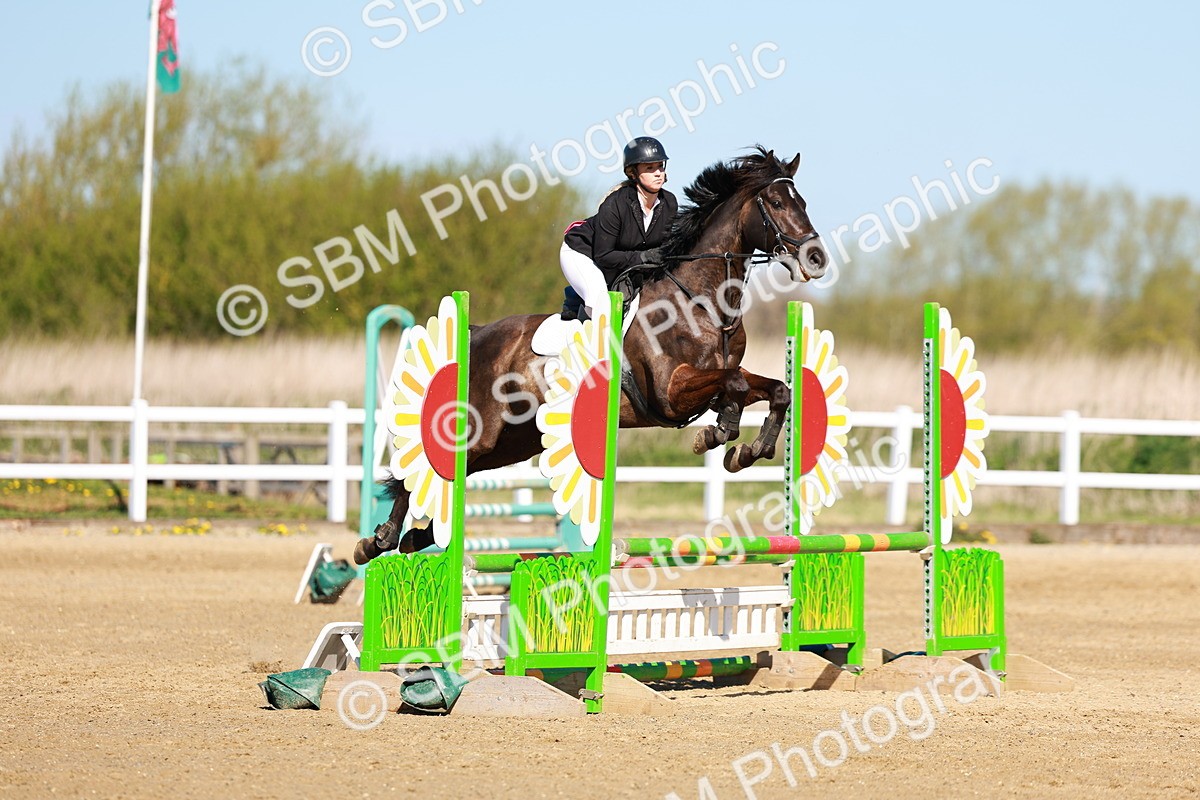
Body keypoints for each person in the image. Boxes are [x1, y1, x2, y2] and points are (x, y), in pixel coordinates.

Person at [560, 137, 679, 320]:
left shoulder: (669, 203)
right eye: (650, 168)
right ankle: (592, 346)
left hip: (617, 261)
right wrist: (643, 257)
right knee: (601, 303)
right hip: (583, 253)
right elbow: (603, 255)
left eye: (660, 167)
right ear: (632, 173)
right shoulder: (616, 203)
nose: (658, 173)